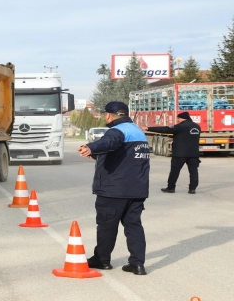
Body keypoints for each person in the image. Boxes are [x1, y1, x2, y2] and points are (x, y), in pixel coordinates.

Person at [77, 101, 150, 276]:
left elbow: (109, 142)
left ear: (108, 115)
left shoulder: (117, 131)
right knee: (134, 226)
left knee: (106, 226)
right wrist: (95, 154)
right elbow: (122, 157)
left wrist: (91, 147)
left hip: (114, 190)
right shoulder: (138, 132)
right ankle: (137, 264)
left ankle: (102, 260)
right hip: (136, 190)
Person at [140, 112, 201, 194]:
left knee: (175, 171)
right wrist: (175, 138)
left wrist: (148, 128)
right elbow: (187, 136)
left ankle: (171, 188)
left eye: (178, 118)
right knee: (193, 171)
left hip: (180, 154)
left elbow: (166, 129)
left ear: (181, 118)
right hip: (194, 153)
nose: (178, 120)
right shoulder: (196, 126)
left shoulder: (181, 126)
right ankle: (192, 189)